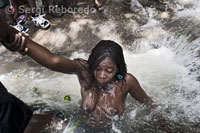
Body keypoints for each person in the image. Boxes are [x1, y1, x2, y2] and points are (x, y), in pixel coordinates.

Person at [0, 19, 171, 132]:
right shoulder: (85, 74)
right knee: (35, 124)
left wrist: (164, 124)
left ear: (118, 69)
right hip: (81, 127)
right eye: (98, 68)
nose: (102, 75)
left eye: (109, 71)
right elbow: (53, 60)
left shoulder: (126, 82)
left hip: (110, 130)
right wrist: (20, 41)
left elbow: (149, 103)